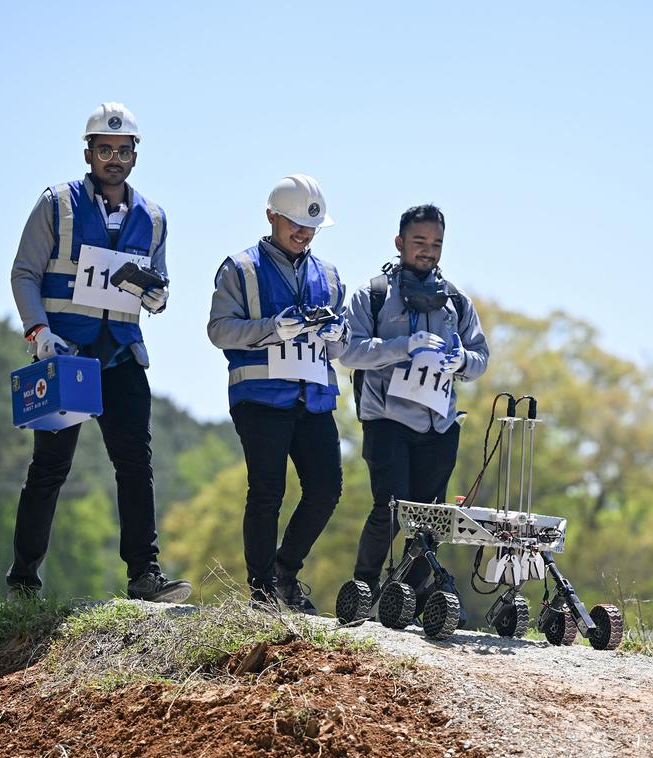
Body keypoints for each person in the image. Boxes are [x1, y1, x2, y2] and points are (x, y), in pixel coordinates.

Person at [5, 102, 190, 604]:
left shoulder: (153, 218)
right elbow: (24, 272)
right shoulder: (56, 204)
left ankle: (145, 576)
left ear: (135, 154)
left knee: (135, 463)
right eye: (104, 149)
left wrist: (154, 292)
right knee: (49, 468)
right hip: (65, 355)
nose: (114, 158)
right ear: (88, 152)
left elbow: (161, 294)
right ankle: (23, 579)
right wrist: (37, 331)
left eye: (123, 150)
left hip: (123, 355)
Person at [207, 174, 348, 614]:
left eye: (311, 227)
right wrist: (272, 329)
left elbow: (344, 346)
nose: (303, 233)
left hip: (313, 397)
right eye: (294, 224)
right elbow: (219, 330)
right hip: (260, 397)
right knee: (267, 491)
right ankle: (263, 588)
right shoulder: (240, 267)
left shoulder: (328, 273)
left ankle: (286, 572)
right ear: (272, 216)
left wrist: (340, 334)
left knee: (326, 489)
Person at [339, 204, 489, 616]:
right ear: (399, 242)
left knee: (430, 518)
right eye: (420, 241)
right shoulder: (370, 294)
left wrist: (460, 361)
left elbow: (480, 358)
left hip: (439, 424)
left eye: (436, 243)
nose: (428, 250)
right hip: (387, 420)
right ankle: (363, 590)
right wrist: (403, 347)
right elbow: (349, 351)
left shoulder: (457, 301)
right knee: (389, 507)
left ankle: (408, 599)